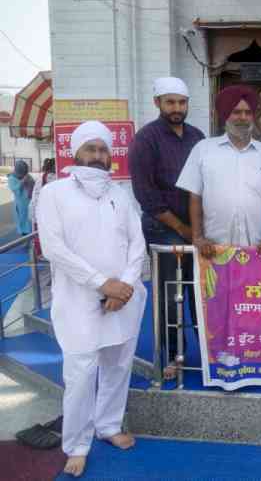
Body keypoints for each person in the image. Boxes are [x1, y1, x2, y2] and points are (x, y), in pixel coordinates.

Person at [37, 121, 147, 477]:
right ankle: (77, 444)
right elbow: (55, 249)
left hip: (123, 300)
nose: (98, 156)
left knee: (117, 366)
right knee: (81, 375)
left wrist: (125, 287)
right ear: (76, 153)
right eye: (91, 149)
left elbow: (137, 244)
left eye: (104, 150)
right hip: (78, 302)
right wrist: (103, 284)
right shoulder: (55, 194)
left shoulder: (121, 194)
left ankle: (109, 425)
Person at [129, 77, 205, 379]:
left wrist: (197, 229)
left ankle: (210, 353)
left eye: (181, 102)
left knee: (200, 293)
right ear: (157, 103)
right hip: (164, 230)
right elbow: (146, 195)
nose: (177, 108)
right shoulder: (145, 140)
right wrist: (183, 229)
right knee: (172, 295)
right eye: (170, 102)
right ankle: (174, 357)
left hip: (196, 228)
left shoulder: (197, 137)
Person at [177, 85, 261, 256]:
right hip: (214, 249)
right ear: (225, 115)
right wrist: (197, 237)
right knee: (216, 284)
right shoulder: (203, 149)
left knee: (257, 285)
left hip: (260, 249)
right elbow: (195, 196)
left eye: (248, 112)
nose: (243, 117)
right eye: (236, 112)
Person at [7, 160, 34, 235]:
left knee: (30, 220)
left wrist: (30, 183)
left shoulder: (27, 175)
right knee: (22, 220)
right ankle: (25, 237)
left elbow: (33, 184)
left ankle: (31, 238)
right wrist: (22, 182)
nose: (24, 174)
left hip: (29, 201)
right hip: (21, 204)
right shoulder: (11, 178)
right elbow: (15, 190)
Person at [29, 158, 56, 229]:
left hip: (39, 212)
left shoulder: (42, 177)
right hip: (46, 214)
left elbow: (34, 199)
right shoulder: (54, 178)